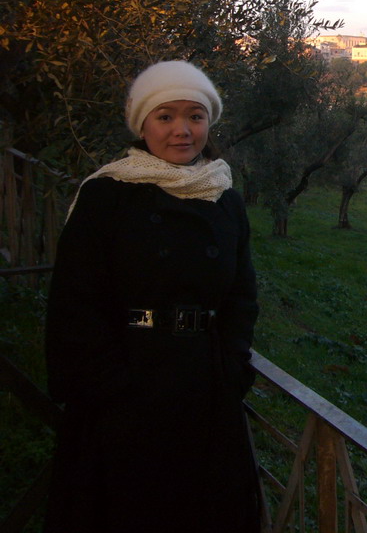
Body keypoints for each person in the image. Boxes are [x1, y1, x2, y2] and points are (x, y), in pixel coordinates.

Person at [44, 60, 260, 533]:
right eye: (166, 117)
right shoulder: (107, 195)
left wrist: (231, 368)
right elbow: (75, 302)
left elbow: (242, 297)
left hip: (203, 390)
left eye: (195, 116)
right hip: (124, 392)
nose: (182, 131)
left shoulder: (224, 199)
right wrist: (108, 387)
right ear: (143, 124)